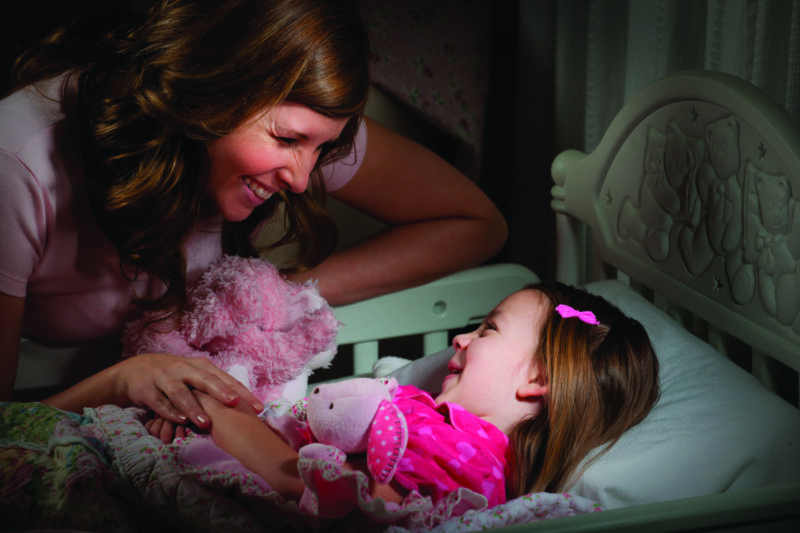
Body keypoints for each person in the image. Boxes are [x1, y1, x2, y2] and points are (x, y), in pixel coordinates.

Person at [0, 0, 508, 427]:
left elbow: (475, 224)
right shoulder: (18, 163)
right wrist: (119, 383)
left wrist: (276, 297)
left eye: (322, 150)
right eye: (286, 140)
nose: (304, 181)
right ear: (207, 91)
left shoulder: (304, 129)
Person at [185, 281, 660, 510]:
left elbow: (324, 491)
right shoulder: (455, 439)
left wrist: (207, 412)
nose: (461, 339)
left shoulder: (454, 449)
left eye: (488, 329)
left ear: (538, 377)